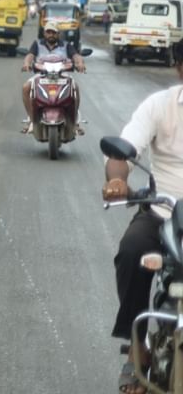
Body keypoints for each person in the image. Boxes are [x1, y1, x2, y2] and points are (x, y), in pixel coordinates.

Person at [103, 40, 183, 394]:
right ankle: (137, 346)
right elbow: (124, 149)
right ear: (179, 67)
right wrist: (118, 180)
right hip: (163, 212)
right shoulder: (160, 105)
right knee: (132, 251)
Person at [20, 22, 86, 134]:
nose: (51, 35)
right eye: (48, 32)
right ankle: (31, 120)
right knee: (26, 88)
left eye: (53, 32)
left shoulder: (66, 45)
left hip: (62, 75)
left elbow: (76, 56)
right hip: (42, 75)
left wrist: (80, 63)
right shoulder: (37, 44)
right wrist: (27, 63)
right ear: (44, 33)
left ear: (58, 34)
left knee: (75, 87)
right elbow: (30, 55)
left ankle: (74, 122)